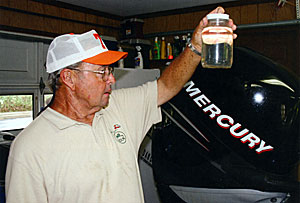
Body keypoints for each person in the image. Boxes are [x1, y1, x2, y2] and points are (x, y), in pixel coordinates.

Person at [5, 7, 236, 203]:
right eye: (101, 72)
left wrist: (195, 47)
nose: (111, 79)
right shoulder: (30, 148)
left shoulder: (118, 107)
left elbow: (166, 85)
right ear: (69, 78)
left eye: (110, 70)